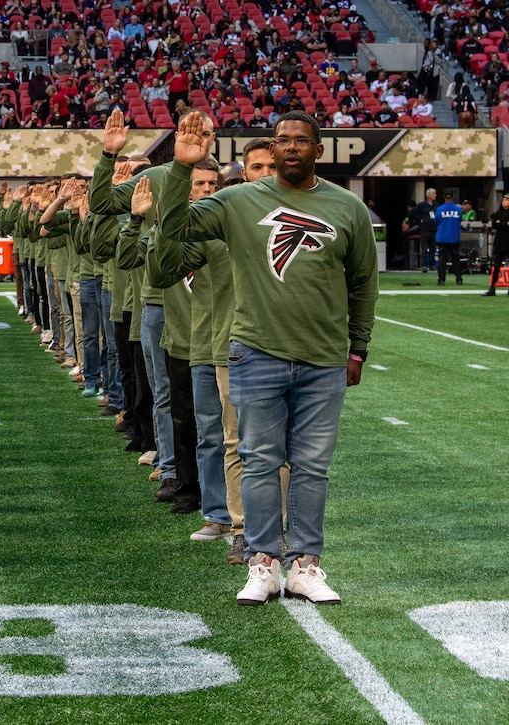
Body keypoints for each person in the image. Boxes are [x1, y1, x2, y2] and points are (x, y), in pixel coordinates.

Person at [153, 110, 378, 606]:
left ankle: (304, 563)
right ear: (271, 151)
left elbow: (363, 283)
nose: (291, 147)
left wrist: (358, 347)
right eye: (283, 141)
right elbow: (172, 235)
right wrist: (179, 168)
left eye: (302, 140)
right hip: (255, 353)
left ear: (320, 150)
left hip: (323, 359)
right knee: (259, 462)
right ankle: (262, 561)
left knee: (312, 466)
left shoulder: (348, 208)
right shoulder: (235, 201)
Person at [435, 191, 463, 286]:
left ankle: (441, 280)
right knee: (456, 258)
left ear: (444, 197)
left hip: (442, 237)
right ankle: (459, 279)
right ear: (453, 196)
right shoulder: (458, 209)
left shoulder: (439, 209)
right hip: (454, 237)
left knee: (442, 259)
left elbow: (437, 221)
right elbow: (459, 220)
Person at [486, 194, 509, 296]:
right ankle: (492, 288)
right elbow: (494, 224)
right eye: (504, 199)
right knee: (496, 265)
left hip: (508, 242)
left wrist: (501, 224)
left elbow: (498, 224)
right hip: (499, 242)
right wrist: (505, 224)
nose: (504, 201)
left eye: (507, 200)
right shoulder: (498, 213)